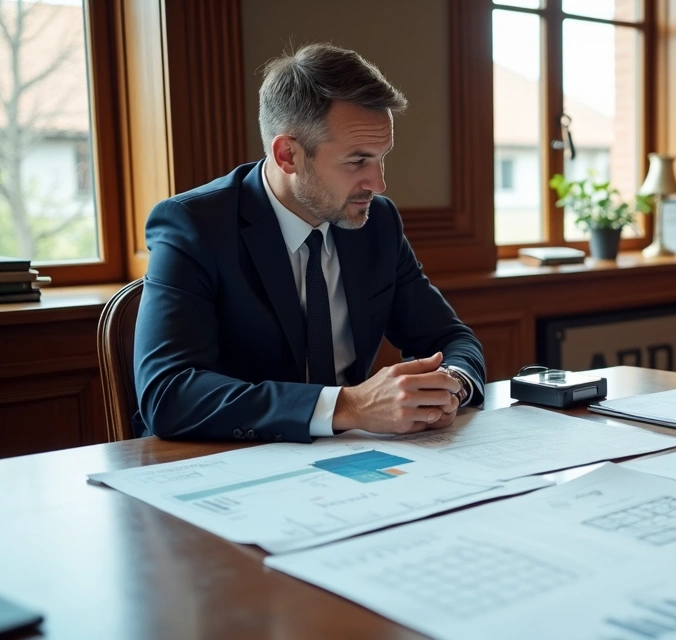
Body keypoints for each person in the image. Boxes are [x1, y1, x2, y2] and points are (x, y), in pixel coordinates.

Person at [133, 44, 485, 442]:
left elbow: (451, 339)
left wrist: (450, 384)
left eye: (381, 157)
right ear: (288, 155)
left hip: (350, 462)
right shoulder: (194, 226)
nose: (379, 184)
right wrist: (349, 406)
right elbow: (168, 394)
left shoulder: (378, 223)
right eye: (357, 161)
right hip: (225, 463)